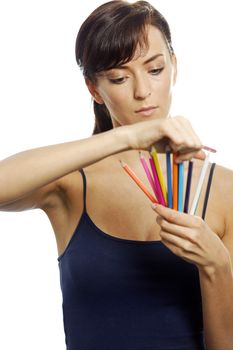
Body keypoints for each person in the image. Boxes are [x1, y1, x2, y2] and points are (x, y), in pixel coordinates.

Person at [0, 0, 233, 349]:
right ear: (94, 89)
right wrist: (125, 136)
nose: (142, 92)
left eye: (155, 70)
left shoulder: (224, 189)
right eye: (119, 78)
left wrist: (216, 266)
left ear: (175, 67)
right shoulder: (71, 182)